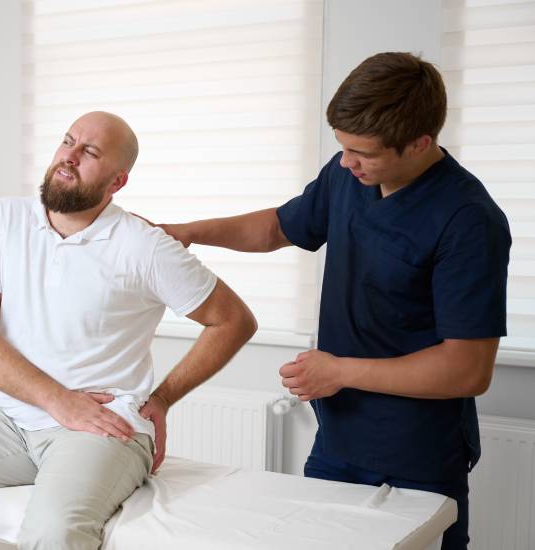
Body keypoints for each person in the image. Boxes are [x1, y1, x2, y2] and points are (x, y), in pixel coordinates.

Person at [153, 52, 511, 549]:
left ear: (419, 143)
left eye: (362, 152)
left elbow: (467, 369)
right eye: (342, 147)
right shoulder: (349, 174)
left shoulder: (469, 221)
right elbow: (280, 226)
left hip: (417, 455)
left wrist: (338, 371)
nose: (346, 161)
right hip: (338, 439)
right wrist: (188, 232)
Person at [0, 111, 257, 550]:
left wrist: (162, 399)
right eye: (68, 141)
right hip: (14, 419)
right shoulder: (3, 220)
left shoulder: (144, 246)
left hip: (103, 428)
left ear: (117, 182)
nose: (69, 157)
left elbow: (234, 320)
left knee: (53, 529)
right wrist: (57, 400)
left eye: (89, 152)